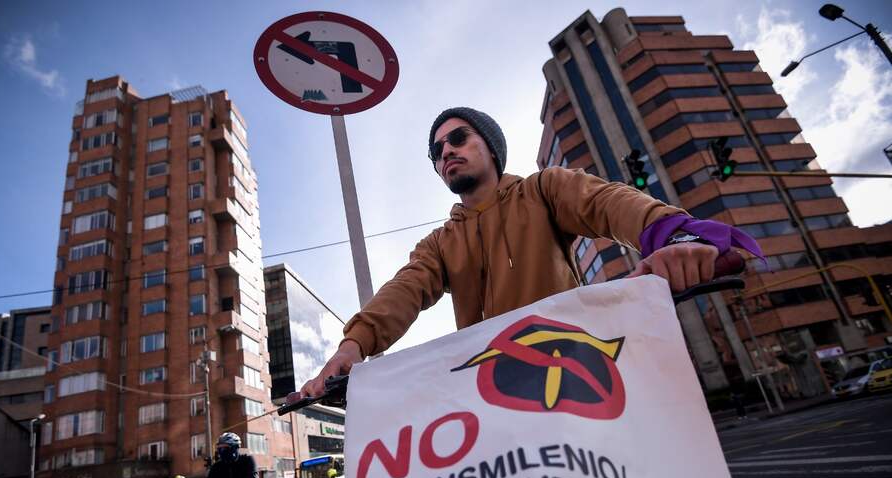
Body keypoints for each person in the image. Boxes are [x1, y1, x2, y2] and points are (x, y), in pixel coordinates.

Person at [301, 107, 761, 398]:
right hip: (492, 395)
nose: (446, 152)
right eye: (437, 151)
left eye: (458, 138)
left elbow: (605, 203)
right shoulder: (440, 243)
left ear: (491, 147)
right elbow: (405, 289)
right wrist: (353, 345)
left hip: (576, 376)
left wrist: (671, 235)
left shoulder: (545, 190)